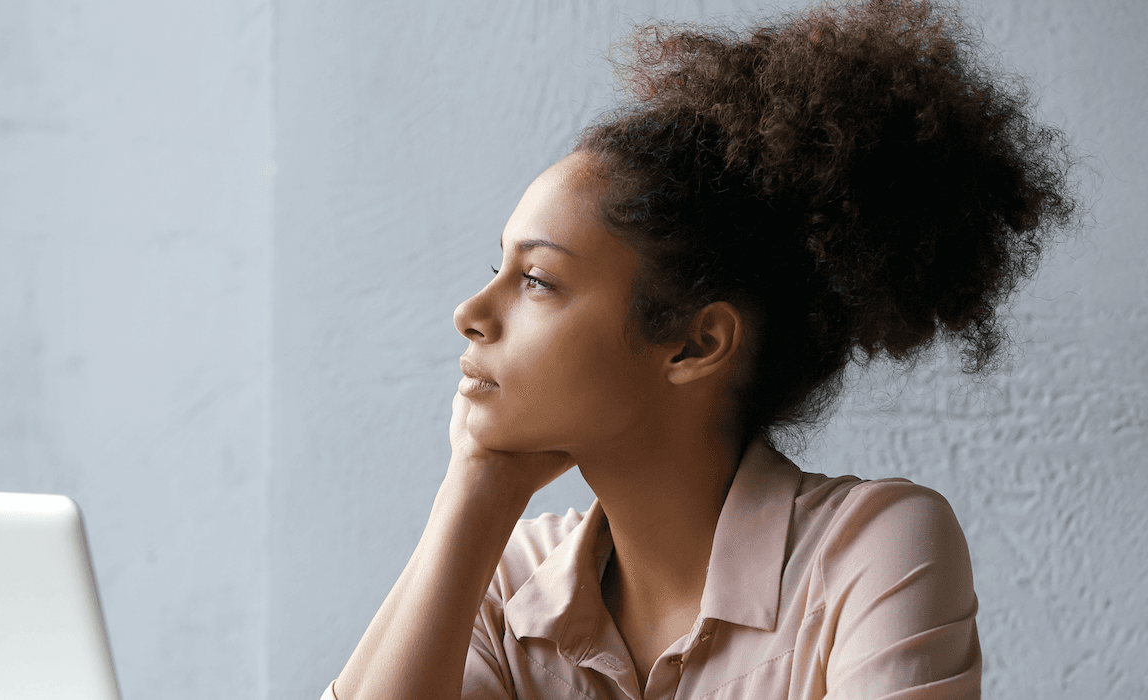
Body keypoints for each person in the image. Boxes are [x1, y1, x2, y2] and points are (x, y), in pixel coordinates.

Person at [325, 0, 1077, 698]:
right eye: (498, 269)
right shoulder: (506, 576)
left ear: (695, 342)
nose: (471, 313)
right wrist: (471, 498)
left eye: (538, 280)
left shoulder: (872, 552)